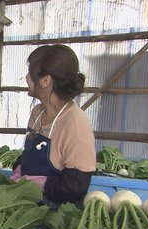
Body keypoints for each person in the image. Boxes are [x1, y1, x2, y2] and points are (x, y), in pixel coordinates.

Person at [10, 44, 96, 207]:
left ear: (45, 80)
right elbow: (32, 155)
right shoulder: (37, 113)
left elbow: (76, 186)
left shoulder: (75, 122)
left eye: (30, 72)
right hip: (29, 203)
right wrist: (19, 167)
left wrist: (42, 183)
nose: (27, 77)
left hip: (58, 214)